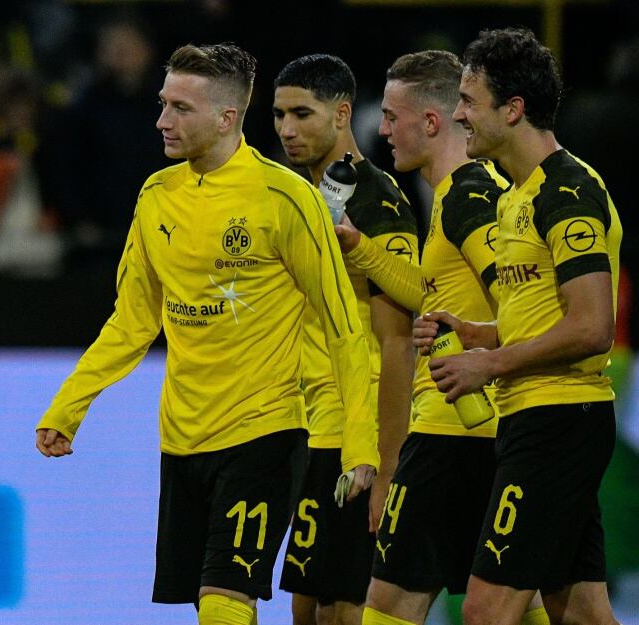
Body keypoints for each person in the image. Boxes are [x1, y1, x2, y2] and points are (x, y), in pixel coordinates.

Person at [35, 43, 378, 625]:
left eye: (181, 108)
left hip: (263, 432)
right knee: (210, 604)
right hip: (182, 439)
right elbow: (132, 321)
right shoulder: (156, 195)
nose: (162, 120)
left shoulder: (284, 198)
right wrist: (68, 407)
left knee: (225, 602)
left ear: (226, 117)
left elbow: (344, 323)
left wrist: (361, 446)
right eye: (163, 103)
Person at [331, 50, 550, 625]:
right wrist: (363, 248)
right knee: (518, 602)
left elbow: (516, 294)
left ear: (431, 122)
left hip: (450, 432)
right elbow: (437, 291)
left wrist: (480, 349)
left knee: (389, 605)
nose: (382, 130)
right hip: (487, 429)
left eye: (392, 117)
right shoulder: (474, 190)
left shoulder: (467, 195)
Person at [414, 28, 621, 625]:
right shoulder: (515, 198)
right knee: (579, 612)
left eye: (469, 102)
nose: (459, 115)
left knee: (485, 610)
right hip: (539, 416)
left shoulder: (568, 192)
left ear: (513, 109)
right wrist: (477, 333)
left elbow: (592, 327)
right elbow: (543, 317)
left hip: (558, 420)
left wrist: (490, 364)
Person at [271, 54, 418, 625]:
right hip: (311, 429)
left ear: (340, 114)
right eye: (279, 115)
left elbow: (396, 343)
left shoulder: (377, 202)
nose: (287, 129)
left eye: (302, 114)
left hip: (356, 435)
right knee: (308, 610)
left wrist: (386, 466)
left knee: (345, 611)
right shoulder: (297, 198)